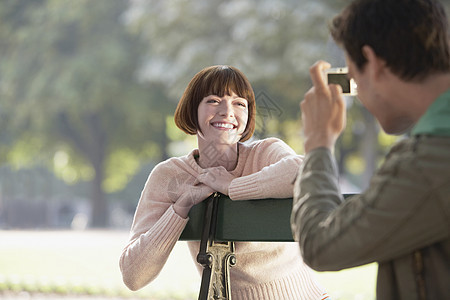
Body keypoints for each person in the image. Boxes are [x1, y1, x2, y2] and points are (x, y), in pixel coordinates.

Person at [120, 65, 329, 300]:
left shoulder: (266, 152)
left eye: (240, 103)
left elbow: (311, 173)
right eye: (213, 100)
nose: (227, 111)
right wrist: (181, 207)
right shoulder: (170, 176)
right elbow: (133, 276)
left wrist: (232, 186)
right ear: (192, 110)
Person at [290, 0, 450, 299]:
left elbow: (320, 245)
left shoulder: (426, 164)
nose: (358, 94)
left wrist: (318, 143)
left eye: (353, 75)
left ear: (372, 62)